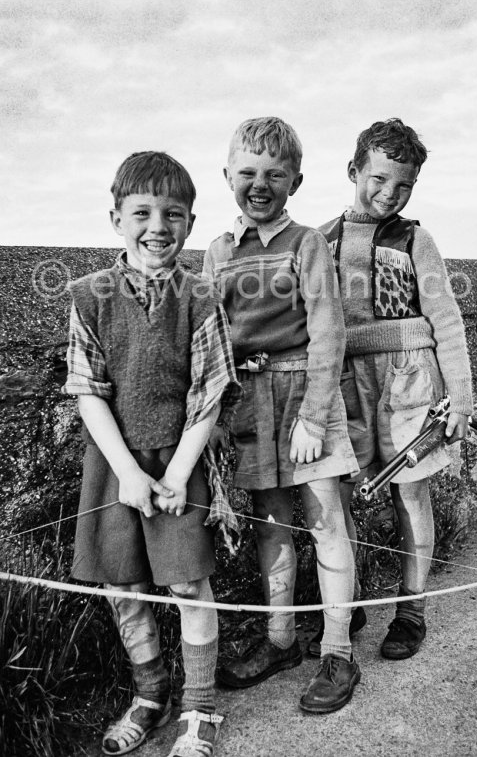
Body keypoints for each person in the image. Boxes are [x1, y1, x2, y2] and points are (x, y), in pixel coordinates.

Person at [63, 151, 240, 757]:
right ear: (116, 218)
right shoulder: (89, 296)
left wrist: (176, 475)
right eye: (142, 212)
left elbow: (210, 393)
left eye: (173, 214)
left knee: (190, 585)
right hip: (114, 467)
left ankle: (200, 707)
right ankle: (149, 692)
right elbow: (88, 392)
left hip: (179, 463)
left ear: (190, 222)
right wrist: (130, 474)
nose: (157, 226)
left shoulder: (201, 295)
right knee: (125, 586)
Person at [203, 116, 362, 714]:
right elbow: (211, 337)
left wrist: (316, 419)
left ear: (296, 181)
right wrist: (215, 413)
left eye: (275, 174)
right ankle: (281, 641)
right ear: (228, 177)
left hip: (305, 400)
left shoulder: (307, 244)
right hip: (250, 406)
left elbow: (328, 331)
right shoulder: (217, 251)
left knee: (325, 525)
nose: (260, 184)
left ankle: (339, 650)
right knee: (271, 527)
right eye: (247, 173)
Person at [317, 118, 473, 661]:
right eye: (378, 178)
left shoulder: (415, 239)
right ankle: (349, 598)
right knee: (341, 494)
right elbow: (309, 322)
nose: (389, 193)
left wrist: (462, 398)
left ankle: (411, 608)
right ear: (354, 170)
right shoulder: (321, 241)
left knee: (410, 492)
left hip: (410, 378)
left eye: (403, 185)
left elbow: (447, 321)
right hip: (343, 379)